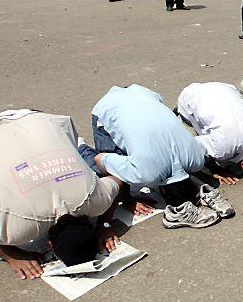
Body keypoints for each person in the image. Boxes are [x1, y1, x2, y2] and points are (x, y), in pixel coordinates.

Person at [0, 110, 124, 279]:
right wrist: (11, 255)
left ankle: (77, 148)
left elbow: (118, 180)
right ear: (49, 245)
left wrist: (104, 224)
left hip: (39, 120)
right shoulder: (16, 229)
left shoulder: (97, 201)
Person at [90, 84, 230, 229]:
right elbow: (99, 158)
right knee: (106, 167)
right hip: (105, 110)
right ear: (161, 190)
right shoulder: (146, 175)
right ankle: (81, 148)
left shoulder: (196, 161)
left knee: (131, 157)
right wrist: (126, 198)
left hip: (143, 93)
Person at [176, 82, 243, 186]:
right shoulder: (223, 149)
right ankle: (180, 116)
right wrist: (215, 169)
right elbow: (195, 146)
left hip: (224, 87)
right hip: (189, 96)